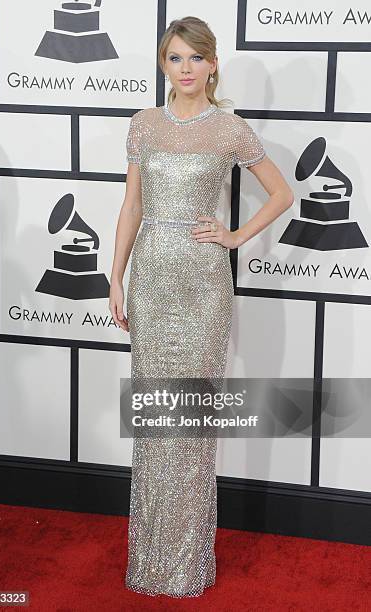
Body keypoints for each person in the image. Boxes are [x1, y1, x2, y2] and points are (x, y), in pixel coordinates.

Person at [109, 16, 294, 598]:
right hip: (152, 281)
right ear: (163, 65)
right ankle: (150, 562)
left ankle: (186, 564)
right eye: (174, 59)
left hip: (203, 282)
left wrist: (236, 236)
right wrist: (115, 277)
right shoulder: (142, 126)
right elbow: (132, 208)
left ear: (213, 64)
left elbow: (282, 192)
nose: (184, 69)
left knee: (190, 424)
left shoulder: (232, 129)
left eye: (195, 58)